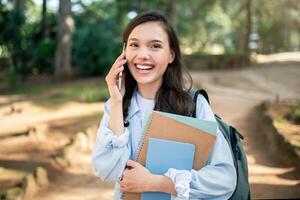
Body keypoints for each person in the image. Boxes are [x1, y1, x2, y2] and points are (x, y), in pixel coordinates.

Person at [92, 10, 236, 200]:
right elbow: (105, 169)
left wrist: (157, 183)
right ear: (124, 52)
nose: (142, 55)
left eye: (155, 46)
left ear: (171, 55)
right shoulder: (115, 105)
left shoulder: (193, 105)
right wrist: (117, 101)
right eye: (134, 45)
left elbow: (225, 179)